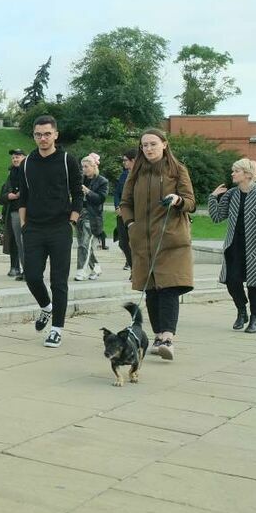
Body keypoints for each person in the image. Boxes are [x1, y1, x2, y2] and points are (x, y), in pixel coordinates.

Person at [120, 128, 195, 361]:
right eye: (144, 145)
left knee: (169, 288)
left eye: (153, 144)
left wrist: (178, 199)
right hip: (143, 241)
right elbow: (125, 202)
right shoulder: (137, 172)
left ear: (164, 144)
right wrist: (131, 224)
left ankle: (168, 338)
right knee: (151, 289)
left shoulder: (177, 169)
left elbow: (191, 202)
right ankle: (157, 336)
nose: (149, 149)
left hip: (171, 240)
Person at [18, 115, 83, 349]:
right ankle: (46, 307)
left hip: (60, 228)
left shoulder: (67, 160)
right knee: (32, 276)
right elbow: (22, 196)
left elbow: (78, 192)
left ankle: (56, 329)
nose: (42, 138)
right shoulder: (27, 163)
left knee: (59, 281)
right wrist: (24, 226)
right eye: (38, 134)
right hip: (34, 228)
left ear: (56, 134)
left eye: (47, 134)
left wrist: (72, 221)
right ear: (33, 136)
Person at [208, 158, 256, 334]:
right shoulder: (231, 194)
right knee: (232, 281)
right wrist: (213, 197)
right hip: (234, 246)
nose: (232, 173)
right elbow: (217, 217)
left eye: (236, 171)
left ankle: (255, 319)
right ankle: (241, 311)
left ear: (247, 174)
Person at [75, 153, 108, 281]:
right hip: (79, 214)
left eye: (86, 166)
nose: (84, 169)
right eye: (82, 167)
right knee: (83, 244)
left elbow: (100, 199)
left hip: (92, 216)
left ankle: (81, 271)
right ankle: (96, 268)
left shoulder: (102, 181)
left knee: (84, 243)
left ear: (94, 167)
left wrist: (87, 191)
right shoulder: (80, 179)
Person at [0, 149, 26, 280]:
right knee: (16, 242)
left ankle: (28, 269)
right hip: (13, 212)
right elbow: (1, 198)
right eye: (14, 157)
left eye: (18, 157)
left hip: (27, 212)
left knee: (25, 242)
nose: (15, 159)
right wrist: (9, 196)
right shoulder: (11, 176)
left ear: (24, 158)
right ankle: (17, 268)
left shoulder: (28, 172)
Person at [113, 148, 136, 271]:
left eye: (126, 160)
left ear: (133, 160)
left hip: (134, 214)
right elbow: (117, 193)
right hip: (121, 213)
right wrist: (117, 206)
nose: (124, 163)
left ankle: (135, 269)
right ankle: (132, 265)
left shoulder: (139, 176)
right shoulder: (124, 175)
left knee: (134, 243)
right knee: (123, 242)